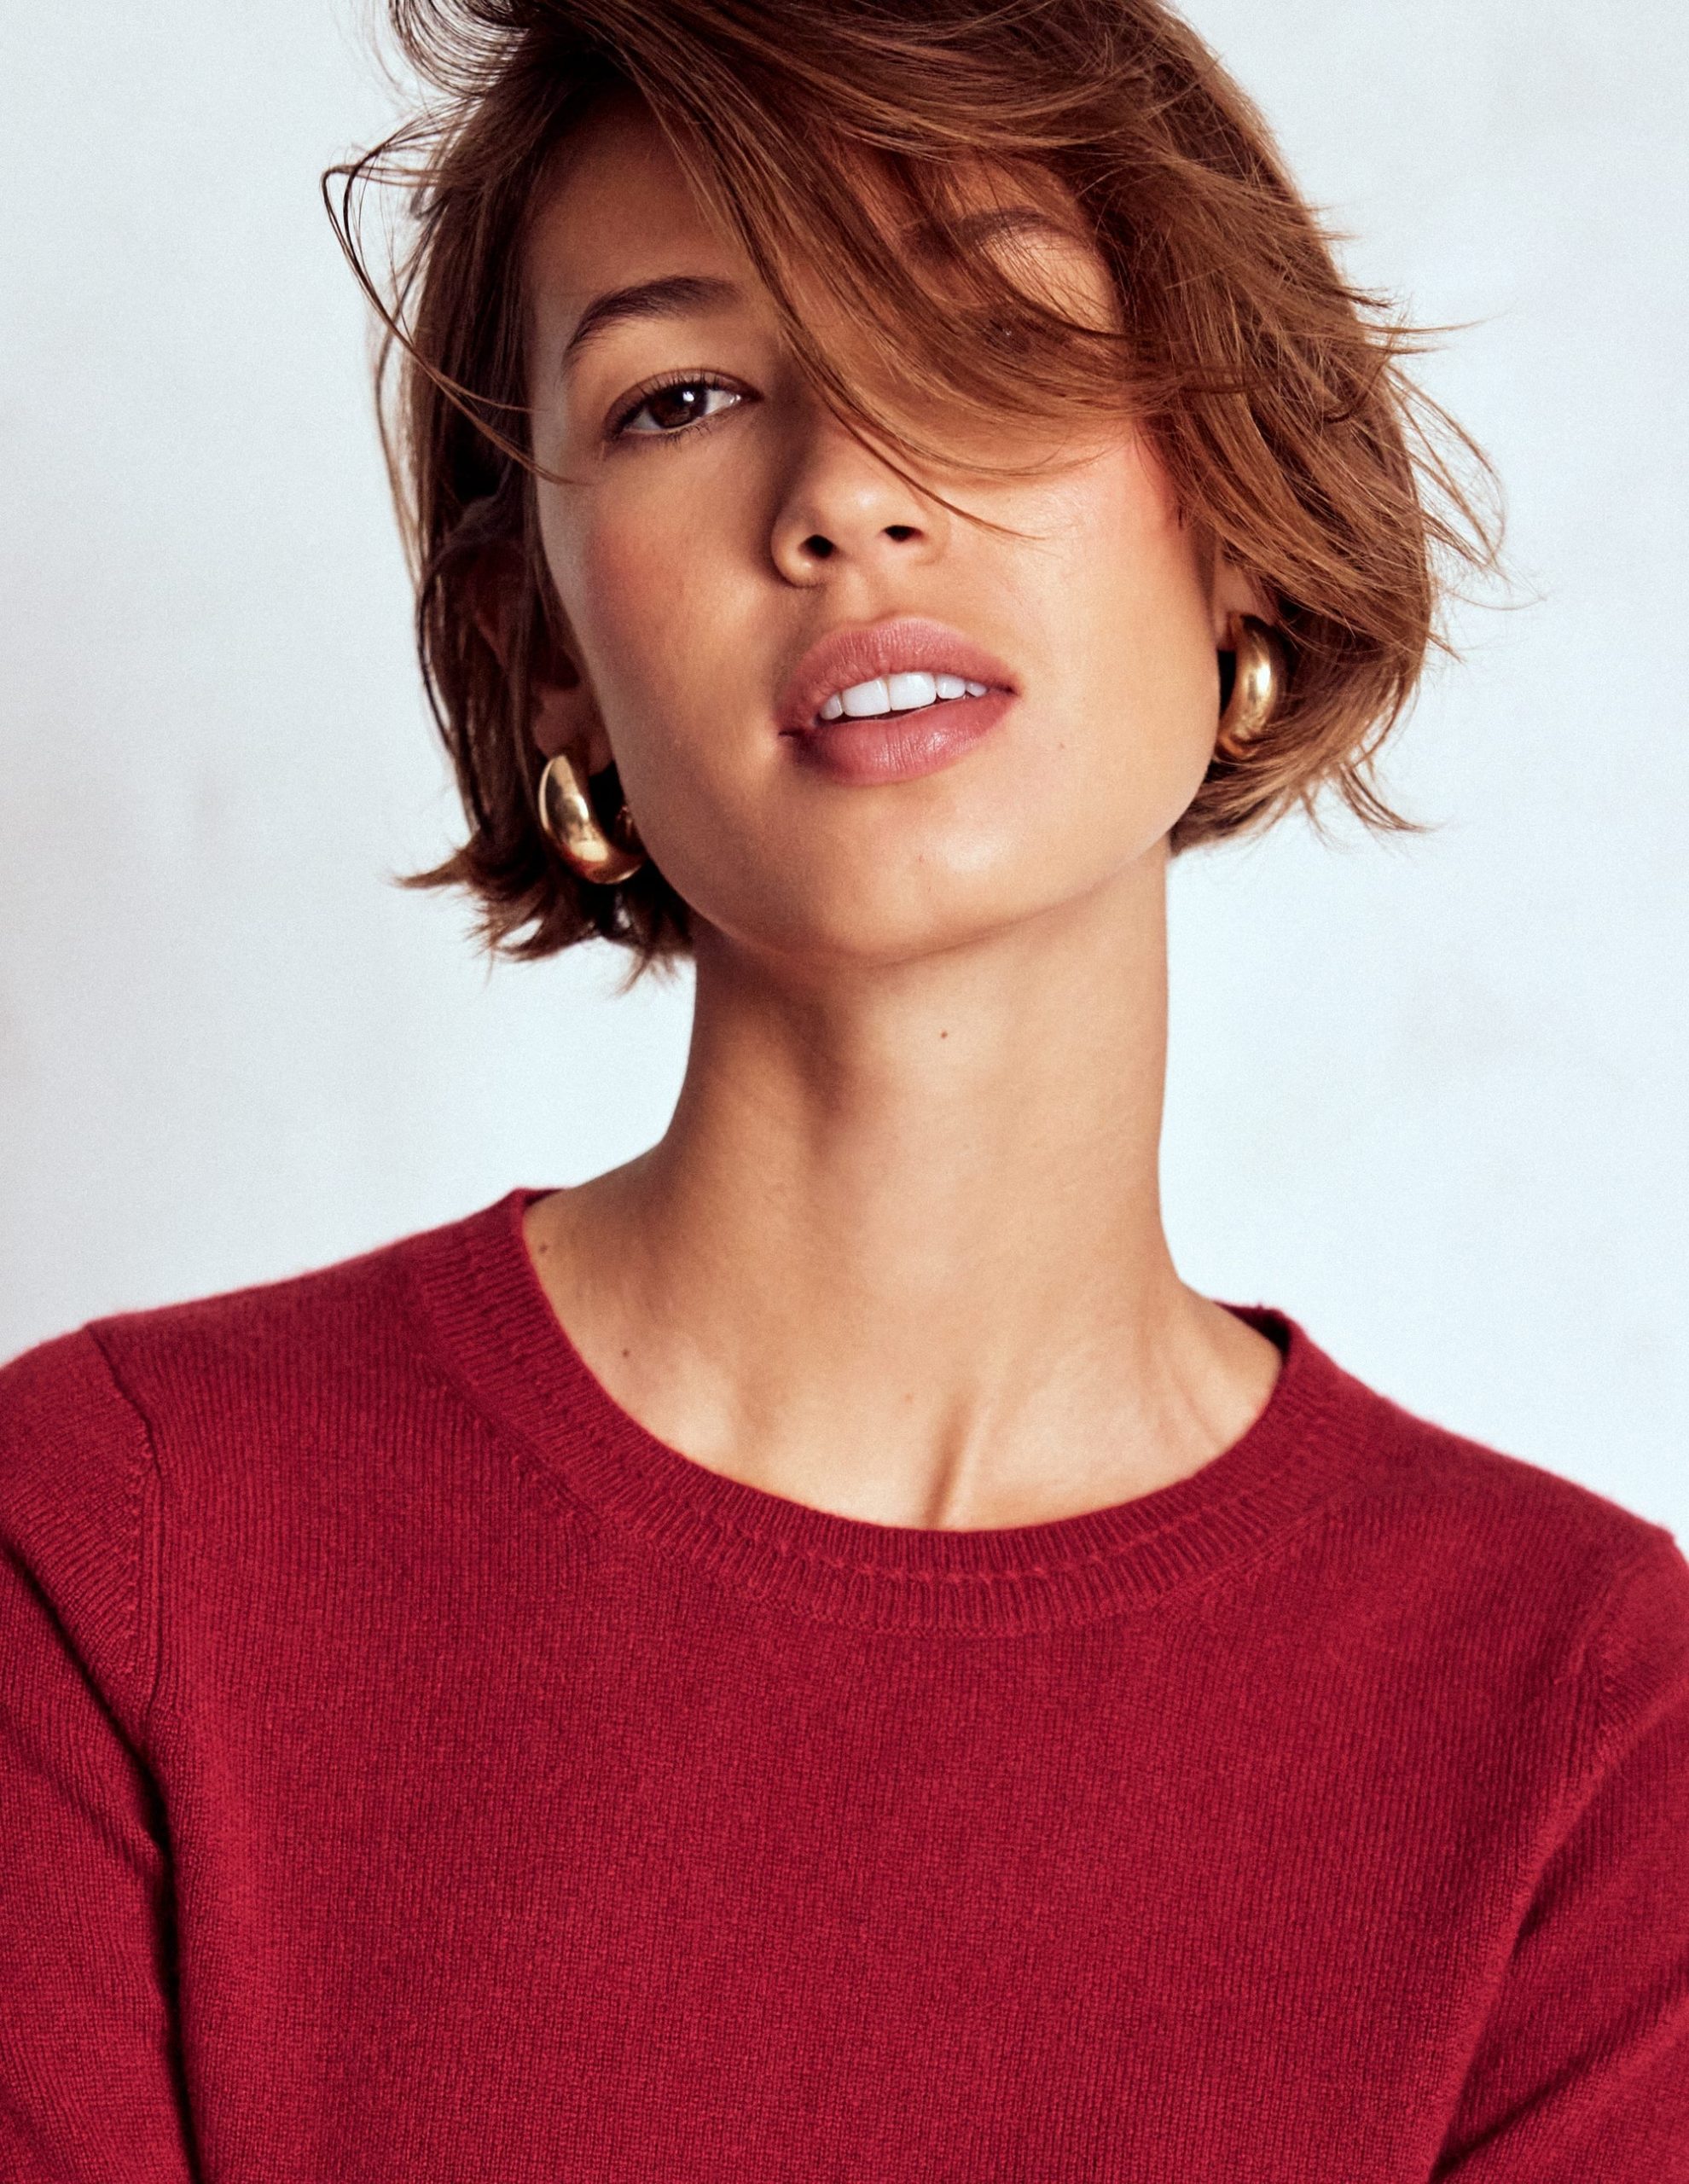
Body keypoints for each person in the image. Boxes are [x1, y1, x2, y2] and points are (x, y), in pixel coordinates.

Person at [3, 0, 1686, 2175]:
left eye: (982, 336)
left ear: (1241, 510)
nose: (848, 497)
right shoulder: (121, 1545)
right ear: (545, 647)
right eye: (681, 396)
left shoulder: (1581, 1717)